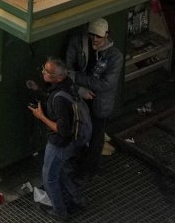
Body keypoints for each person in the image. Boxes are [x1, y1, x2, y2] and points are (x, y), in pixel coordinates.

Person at [29, 58, 89, 221]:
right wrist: (38, 89)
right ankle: (78, 199)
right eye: (44, 68)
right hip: (74, 141)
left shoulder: (59, 100)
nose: (43, 72)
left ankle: (60, 211)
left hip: (60, 144)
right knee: (60, 170)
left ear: (58, 77)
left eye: (47, 72)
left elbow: (63, 130)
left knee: (49, 177)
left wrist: (40, 116)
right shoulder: (68, 85)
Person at [64, 18, 122, 176]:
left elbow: (106, 84)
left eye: (99, 37)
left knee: (96, 138)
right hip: (82, 98)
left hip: (99, 102)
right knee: (79, 132)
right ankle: (81, 165)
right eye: (92, 35)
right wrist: (79, 89)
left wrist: (78, 79)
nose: (95, 39)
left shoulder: (115, 56)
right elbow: (67, 71)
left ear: (107, 35)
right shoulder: (78, 43)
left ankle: (89, 170)